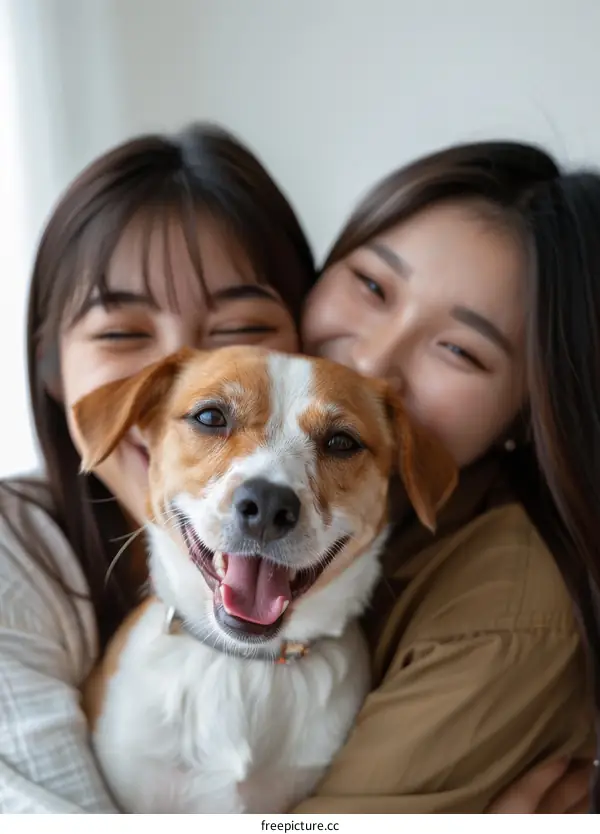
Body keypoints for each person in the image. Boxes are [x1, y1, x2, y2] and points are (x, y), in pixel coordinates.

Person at [0, 124, 596, 812]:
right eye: (372, 284)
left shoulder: (500, 611)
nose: (368, 364)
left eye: (460, 350)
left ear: (534, 409)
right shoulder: (38, 560)